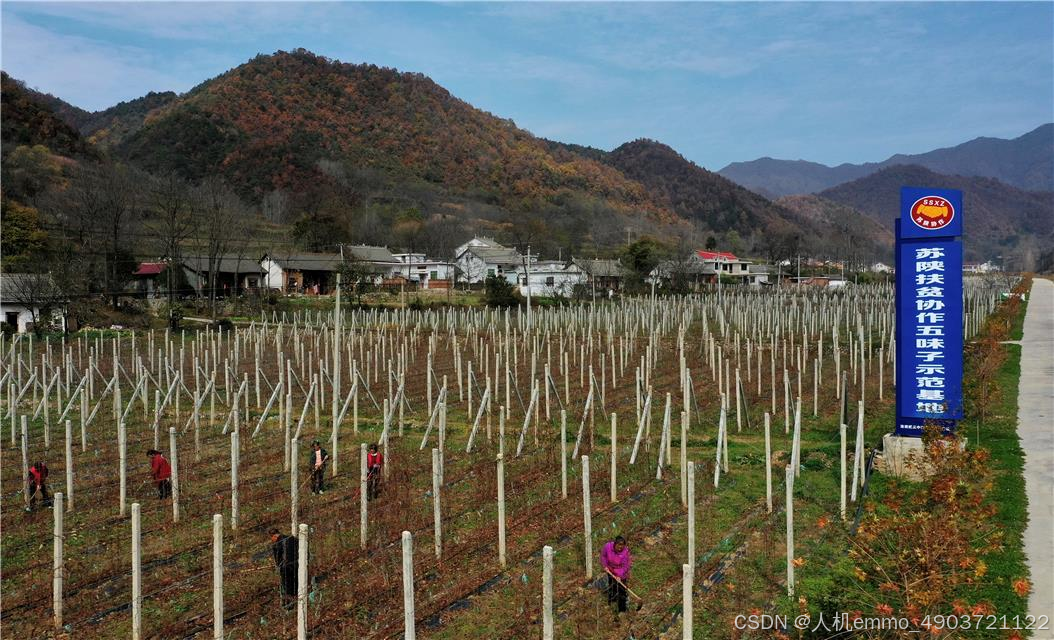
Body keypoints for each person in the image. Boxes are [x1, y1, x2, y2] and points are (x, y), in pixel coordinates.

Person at [601, 535, 632, 614]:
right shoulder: (607, 547)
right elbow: (603, 556)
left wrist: (619, 576)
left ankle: (622, 610)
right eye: (619, 545)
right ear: (615, 543)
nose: (620, 547)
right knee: (612, 587)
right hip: (610, 571)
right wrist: (605, 566)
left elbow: (626, 566)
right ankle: (611, 603)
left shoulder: (625, 552)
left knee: (621, 591)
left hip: (621, 573)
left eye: (622, 545)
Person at [269, 528, 299, 608]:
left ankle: (290, 602)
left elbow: (278, 560)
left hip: (286, 567)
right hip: (298, 564)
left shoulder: (277, 544)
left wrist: (278, 566)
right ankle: (297, 596)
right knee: (296, 581)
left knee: (287, 585)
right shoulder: (292, 538)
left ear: (273, 536)